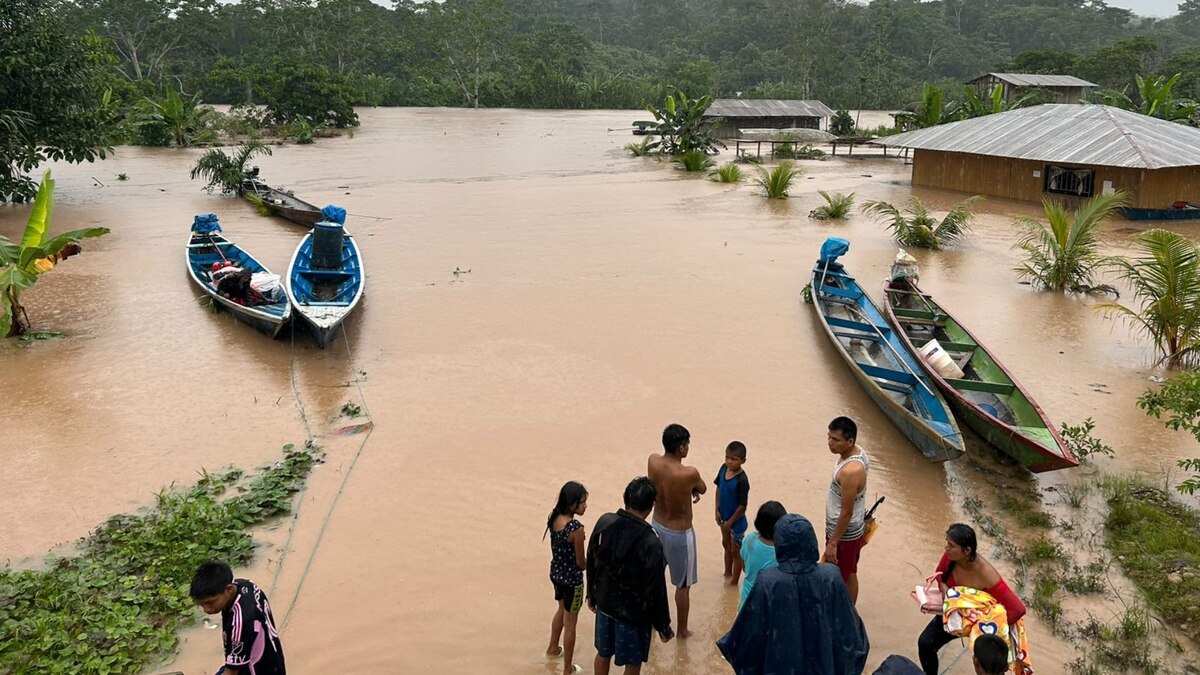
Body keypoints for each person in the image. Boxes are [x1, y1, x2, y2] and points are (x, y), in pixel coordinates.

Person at [717, 513, 869, 675]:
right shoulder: (832, 577)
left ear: (779, 546)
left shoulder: (768, 581)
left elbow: (745, 641)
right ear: (812, 543)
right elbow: (852, 639)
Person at [587, 477, 674, 675]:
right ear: (651, 506)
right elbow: (655, 586)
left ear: (625, 498)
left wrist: (592, 595)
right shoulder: (651, 541)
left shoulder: (605, 522)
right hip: (633, 616)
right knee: (633, 664)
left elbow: (592, 559)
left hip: (605, 605)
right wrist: (663, 625)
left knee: (602, 653)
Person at [917, 524, 1026, 675]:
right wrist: (943, 588)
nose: (946, 547)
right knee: (925, 643)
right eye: (946, 542)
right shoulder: (950, 557)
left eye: (951, 545)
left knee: (987, 668)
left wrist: (983, 626)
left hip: (982, 624)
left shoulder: (986, 574)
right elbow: (940, 574)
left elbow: (1018, 610)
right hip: (955, 613)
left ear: (967, 551)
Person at [647, 423, 706, 638]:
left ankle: (653, 625)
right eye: (687, 444)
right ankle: (682, 630)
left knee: (654, 579)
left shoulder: (652, 461)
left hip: (656, 527)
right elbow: (702, 487)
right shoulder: (688, 473)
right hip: (680, 534)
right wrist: (690, 490)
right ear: (681, 448)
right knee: (683, 585)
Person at [190, 560, 285, 675]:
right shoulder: (245, 585)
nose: (207, 610)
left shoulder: (241, 623)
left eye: (210, 603)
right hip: (271, 657)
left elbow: (231, 672)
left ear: (229, 589)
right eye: (202, 605)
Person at [824, 416, 870, 605]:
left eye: (835, 440)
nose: (830, 443)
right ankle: (850, 611)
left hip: (844, 534)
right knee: (850, 571)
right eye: (829, 437)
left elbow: (846, 512)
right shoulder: (858, 452)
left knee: (833, 578)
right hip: (851, 529)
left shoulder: (851, 471)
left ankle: (837, 615)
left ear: (850, 441)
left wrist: (833, 542)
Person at [545, 481, 589, 674]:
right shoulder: (575, 529)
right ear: (572, 504)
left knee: (561, 610)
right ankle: (567, 669)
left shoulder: (554, 518)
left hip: (556, 574)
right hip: (572, 581)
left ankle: (553, 648)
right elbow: (581, 563)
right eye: (582, 502)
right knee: (571, 623)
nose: (585, 506)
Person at [714, 441, 750, 587]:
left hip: (737, 523)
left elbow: (742, 506)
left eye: (734, 459)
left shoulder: (742, 480)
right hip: (723, 518)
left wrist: (731, 522)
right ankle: (727, 573)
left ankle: (734, 582)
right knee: (726, 545)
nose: (729, 461)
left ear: (743, 461)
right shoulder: (723, 469)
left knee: (736, 552)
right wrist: (716, 509)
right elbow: (718, 488)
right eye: (727, 457)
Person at [739, 500, 786, 609]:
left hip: (746, 599)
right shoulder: (783, 550)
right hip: (769, 603)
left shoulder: (749, 539)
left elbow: (745, 567)